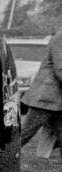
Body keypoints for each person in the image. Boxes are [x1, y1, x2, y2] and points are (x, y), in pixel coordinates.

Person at [20, 29, 62, 159]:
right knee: (24, 134)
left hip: (57, 100)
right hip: (46, 97)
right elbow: (60, 69)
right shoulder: (59, 38)